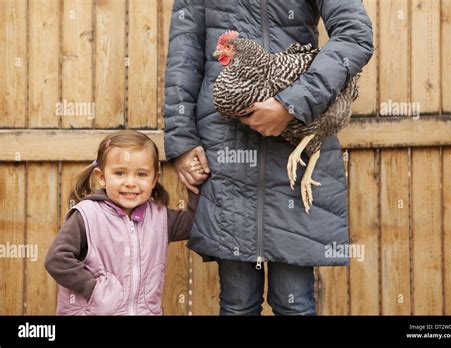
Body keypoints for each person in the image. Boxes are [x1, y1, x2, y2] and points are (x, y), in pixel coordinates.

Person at [164, 0, 374, 315]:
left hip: (298, 142)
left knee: (295, 302)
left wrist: (291, 104)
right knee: (237, 303)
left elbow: (355, 35)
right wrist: (180, 138)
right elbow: (185, 54)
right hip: (226, 146)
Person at [45, 130, 199, 315]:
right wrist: (93, 288)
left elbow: (195, 224)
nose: (130, 183)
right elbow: (57, 259)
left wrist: (194, 183)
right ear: (101, 176)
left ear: (154, 179)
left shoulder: (161, 218)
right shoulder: (87, 215)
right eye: (120, 173)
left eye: (141, 174)